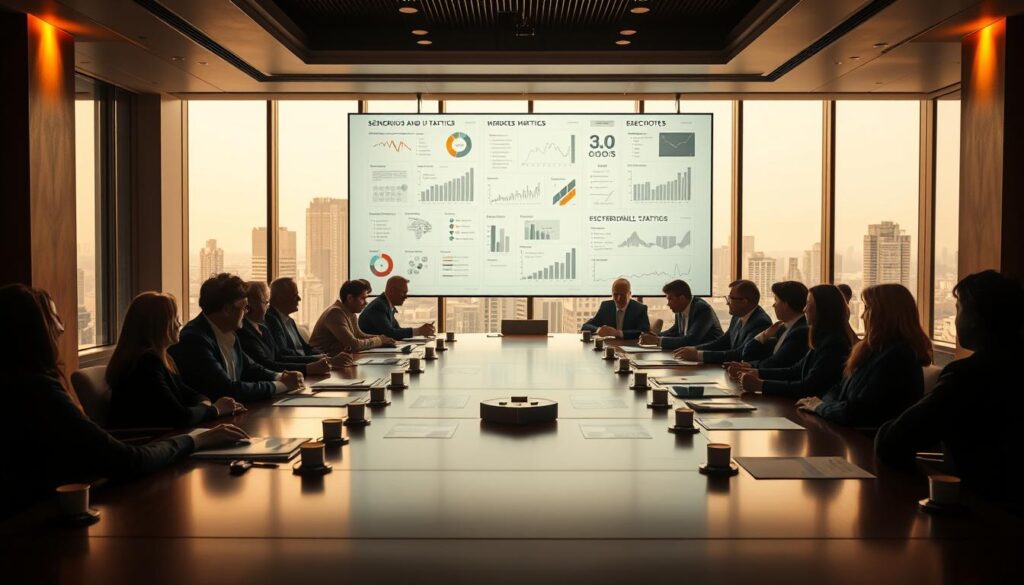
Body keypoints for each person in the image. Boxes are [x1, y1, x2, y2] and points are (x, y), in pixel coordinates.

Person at [0, 284, 247, 516]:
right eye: (52, 318)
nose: (61, 327)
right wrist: (195, 440)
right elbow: (128, 461)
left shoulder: (18, 386)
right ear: (33, 331)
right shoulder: (38, 390)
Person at [876, 271, 1024, 501]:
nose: (955, 319)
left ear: (975, 317)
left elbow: (892, 443)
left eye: (958, 309)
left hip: (988, 516)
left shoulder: (969, 375)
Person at [796, 283, 931, 427]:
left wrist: (821, 407)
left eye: (867, 308)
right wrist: (822, 405)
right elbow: (838, 388)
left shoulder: (899, 358)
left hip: (866, 442)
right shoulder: (871, 350)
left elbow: (859, 412)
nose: (862, 316)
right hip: (847, 432)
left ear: (884, 314)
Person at [108, 292, 245, 429]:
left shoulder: (164, 359)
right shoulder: (146, 364)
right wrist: (216, 409)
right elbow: (180, 417)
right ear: (159, 325)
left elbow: (195, 395)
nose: (179, 324)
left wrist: (205, 406)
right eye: (174, 319)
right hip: (149, 442)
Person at [169, 274, 304, 403]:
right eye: (244, 307)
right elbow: (227, 390)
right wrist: (280, 386)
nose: (246, 312)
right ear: (227, 309)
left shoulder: (228, 331)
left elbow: (251, 368)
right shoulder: (194, 340)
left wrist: (280, 376)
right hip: (210, 423)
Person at [731, 284, 853, 398]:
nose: (804, 309)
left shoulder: (833, 344)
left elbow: (809, 387)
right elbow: (795, 370)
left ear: (822, 309)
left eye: (808, 304)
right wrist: (756, 372)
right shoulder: (822, 338)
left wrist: (760, 385)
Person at [238, 282, 341, 376]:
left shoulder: (263, 328)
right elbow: (267, 364)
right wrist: (307, 368)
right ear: (251, 304)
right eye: (266, 302)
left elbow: (279, 357)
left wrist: (321, 359)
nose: (268, 307)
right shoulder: (245, 332)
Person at [674, 280, 771, 364]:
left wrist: (699, 355)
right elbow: (722, 342)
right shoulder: (737, 317)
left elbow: (740, 354)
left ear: (744, 302)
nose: (727, 303)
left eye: (730, 298)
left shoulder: (760, 322)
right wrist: (695, 349)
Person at [735, 281, 810, 369]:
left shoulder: (800, 331)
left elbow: (776, 363)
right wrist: (765, 334)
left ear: (786, 304)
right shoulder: (782, 328)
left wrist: (751, 366)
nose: (773, 305)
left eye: (776, 300)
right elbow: (748, 354)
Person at [310, 279, 396, 354]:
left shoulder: (351, 313)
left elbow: (358, 335)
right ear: (350, 298)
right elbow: (353, 345)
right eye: (362, 298)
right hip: (322, 362)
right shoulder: (335, 313)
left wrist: (382, 338)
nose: (366, 303)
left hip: (336, 359)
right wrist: (379, 340)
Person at [638, 279, 722, 350]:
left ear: (681, 298)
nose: (668, 304)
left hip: (710, 357)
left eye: (670, 299)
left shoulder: (702, 309)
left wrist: (657, 340)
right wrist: (655, 336)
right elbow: (675, 331)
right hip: (690, 355)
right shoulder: (680, 309)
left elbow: (691, 340)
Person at [359, 276, 436, 340]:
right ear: (391, 291)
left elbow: (397, 330)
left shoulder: (385, 304)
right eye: (404, 292)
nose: (406, 296)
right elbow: (390, 333)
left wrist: (420, 331)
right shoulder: (379, 306)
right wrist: (419, 331)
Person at [580, 278, 650, 340]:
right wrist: (598, 330)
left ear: (629, 294)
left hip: (632, 348)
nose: (618, 299)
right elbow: (585, 326)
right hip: (610, 348)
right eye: (615, 294)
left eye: (622, 295)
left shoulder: (640, 309)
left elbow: (645, 332)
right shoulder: (606, 306)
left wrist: (618, 333)